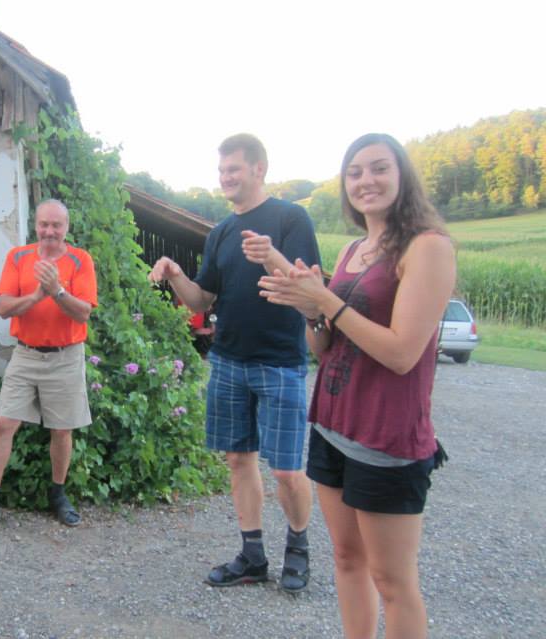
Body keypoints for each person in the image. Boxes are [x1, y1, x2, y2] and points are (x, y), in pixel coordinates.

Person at [258, 133, 454, 638]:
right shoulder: (353, 249)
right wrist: (310, 311)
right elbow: (325, 347)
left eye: (379, 168)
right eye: (355, 172)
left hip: (387, 437)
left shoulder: (427, 247)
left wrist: (325, 300)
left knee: (393, 581)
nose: (366, 180)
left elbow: (402, 353)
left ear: (402, 175)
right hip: (334, 424)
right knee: (347, 559)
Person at [149, 134, 321, 592]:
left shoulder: (290, 218)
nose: (225, 177)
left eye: (234, 169)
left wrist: (270, 256)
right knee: (238, 459)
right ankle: (252, 556)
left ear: (259, 169)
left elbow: (311, 291)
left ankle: (298, 548)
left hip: (280, 362)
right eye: (222, 170)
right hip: (228, 361)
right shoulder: (221, 232)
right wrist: (175, 274)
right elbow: (201, 299)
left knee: (286, 469)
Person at [0, 199, 97, 532]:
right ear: (36, 224)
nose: (49, 231)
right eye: (44, 224)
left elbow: (84, 313)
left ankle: (58, 496)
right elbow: (4, 308)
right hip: (26, 354)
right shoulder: (18, 257)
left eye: (56, 225)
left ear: (66, 227)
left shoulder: (81, 260)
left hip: (65, 356)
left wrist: (57, 290)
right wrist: (36, 296)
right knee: (4, 423)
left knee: (62, 430)